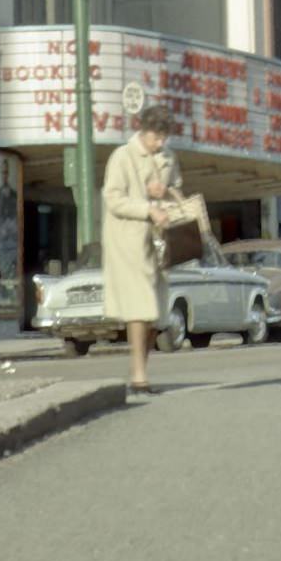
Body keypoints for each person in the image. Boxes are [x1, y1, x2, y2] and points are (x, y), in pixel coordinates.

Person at [102, 103, 181, 397]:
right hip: (128, 241)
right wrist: (147, 208)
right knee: (139, 305)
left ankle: (141, 370)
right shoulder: (122, 157)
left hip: (160, 243)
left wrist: (166, 193)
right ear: (143, 131)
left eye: (163, 138)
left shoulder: (169, 158)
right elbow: (113, 199)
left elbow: (178, 190)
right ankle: (139, 376)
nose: (159, 143)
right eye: (154, 137)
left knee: (155, 312)